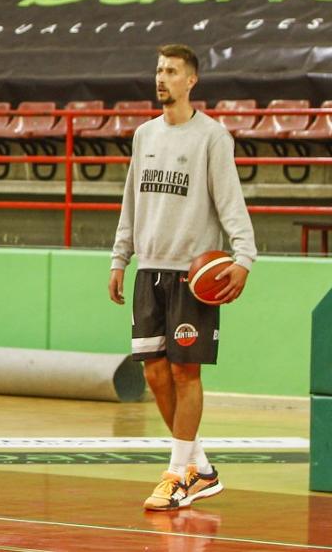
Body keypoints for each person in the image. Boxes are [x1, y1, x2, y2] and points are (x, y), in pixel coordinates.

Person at [109, 44, 255, 511]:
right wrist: (119, 258)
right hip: (148, 269)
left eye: (171, 71)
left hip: (192, 276)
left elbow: (232, 203)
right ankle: (201, 469)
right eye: (158, 70)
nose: (161, 78)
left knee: (183, 371)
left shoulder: (212, 137)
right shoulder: (144, 135)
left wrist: (244, 257)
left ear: (190, 81)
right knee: (155, 374)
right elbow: (131, 202)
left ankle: (176, 473)